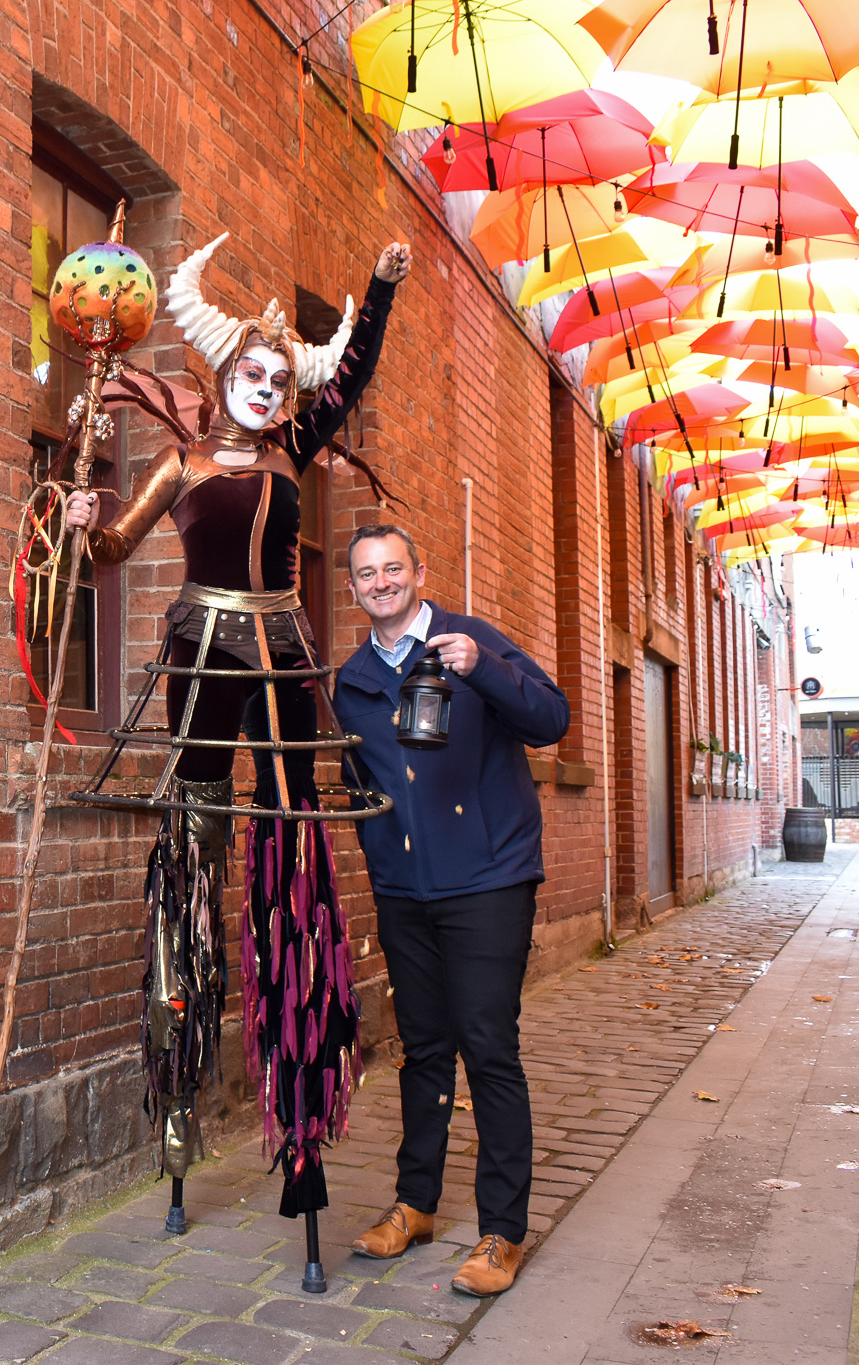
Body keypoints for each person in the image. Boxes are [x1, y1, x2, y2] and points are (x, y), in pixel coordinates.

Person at [62, 233, 411, 1217]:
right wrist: (86, 519)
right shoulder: (177, 464)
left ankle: (300, 1126)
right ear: (222, 376)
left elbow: (349, 375)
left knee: (293, 866)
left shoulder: (295, 445)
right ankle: (178, 1107)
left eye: (276, 378)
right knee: (189, 860)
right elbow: (115, 550)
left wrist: (376, 292)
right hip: (200, 662)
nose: (264, 387)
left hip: (284, 666)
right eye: (249, 373)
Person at [330, 524, 569, 1297]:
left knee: (487, 1045)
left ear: (419, 572)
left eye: (393, 567)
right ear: (353, 589)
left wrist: (489, 670)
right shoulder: (353, 678)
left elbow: (552, 719)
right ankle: (416, 1203)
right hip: (404, 887)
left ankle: (502, 1230)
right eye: (367, 573)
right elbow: (350, 774)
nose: (381, 582)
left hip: (490, 879)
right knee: (423, 1047)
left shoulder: (471, 641)